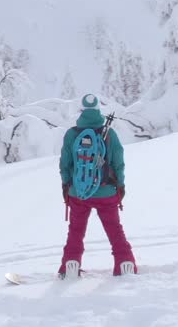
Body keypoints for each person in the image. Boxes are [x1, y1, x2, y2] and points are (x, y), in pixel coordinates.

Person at [58, 93, 136, 278]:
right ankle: (125, 262)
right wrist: (121, 186)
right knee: (114, 229)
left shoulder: (72, 134)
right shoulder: (109, 134)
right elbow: (118, 163)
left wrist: (67, 187)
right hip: (107, 192)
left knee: (76, 231)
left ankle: (71, 263)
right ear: (98, 110)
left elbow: (65, 165)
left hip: (79, 193)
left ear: (82, 110)